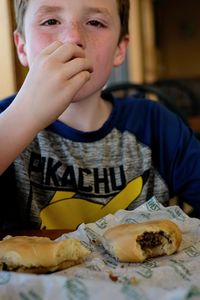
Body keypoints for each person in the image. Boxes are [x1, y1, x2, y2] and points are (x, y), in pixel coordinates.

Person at [0, 0, 200, 231]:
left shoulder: (156, 125)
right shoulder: (7, 120)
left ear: (119, 49)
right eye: (50, 21)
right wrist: (25, 114)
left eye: (95, 22)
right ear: (22, 47)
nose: (73, 38)